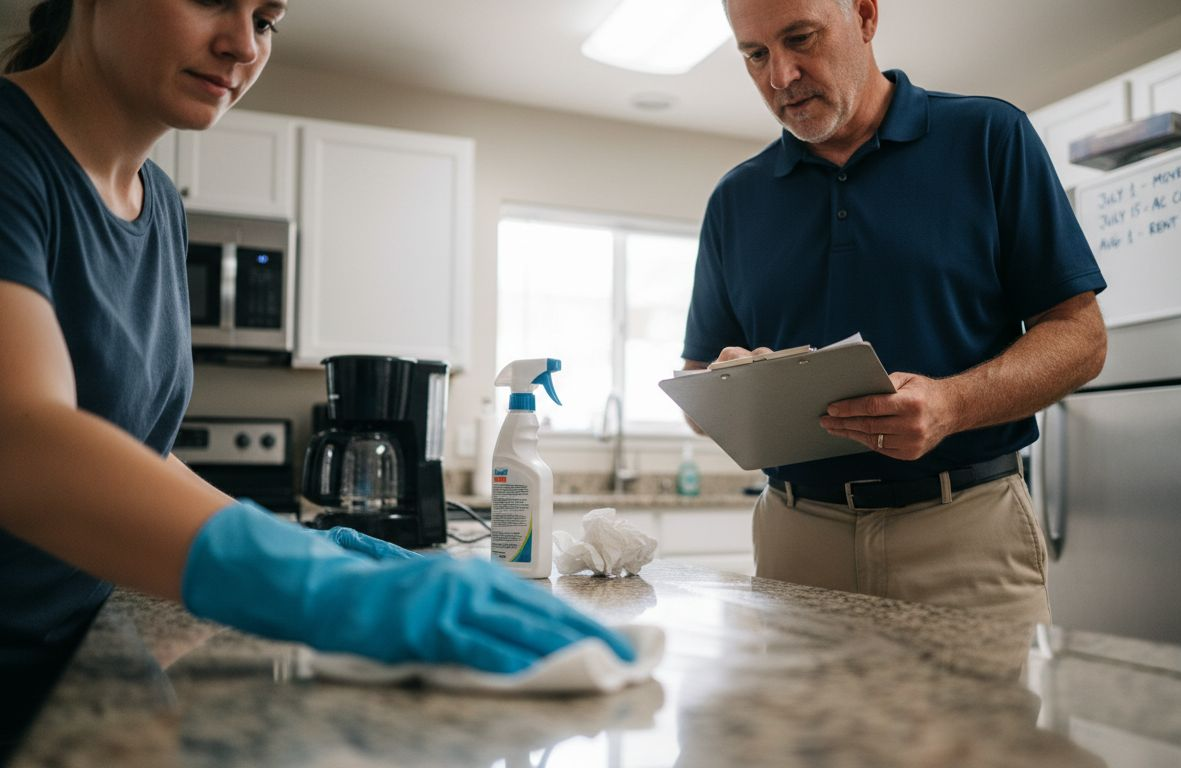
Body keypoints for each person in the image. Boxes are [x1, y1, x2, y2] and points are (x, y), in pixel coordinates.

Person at [0, 0, 633, 752]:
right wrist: (313, 583)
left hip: (66, 660)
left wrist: (315, 546)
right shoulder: (12, 157)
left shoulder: (160, 205)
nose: (241, 44)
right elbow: (23, 443)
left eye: (266, 19)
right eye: (211, 0)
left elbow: (125, 446)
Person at [683, 0, 1107, 624]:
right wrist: (735, 384)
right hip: (796, 539)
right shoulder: (734, 201)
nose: (781, 76)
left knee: (983, 727)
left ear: (864, 15)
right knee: (804, 727)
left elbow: (1081, 338)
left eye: (801, 38)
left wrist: (951, 405)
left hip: (965, 530)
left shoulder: (991, 137)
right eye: (756, 54)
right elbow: (697, 380)